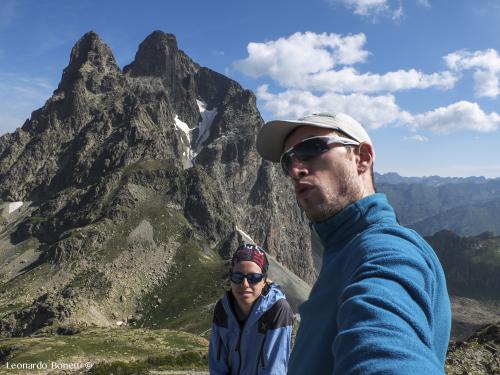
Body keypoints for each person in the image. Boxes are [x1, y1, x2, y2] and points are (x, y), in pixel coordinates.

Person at [256, 113, 451, 374]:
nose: (294, 169)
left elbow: (384, 347)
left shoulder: (385, 249)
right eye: (287, 161)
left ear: (362, 158)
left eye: (311, 148)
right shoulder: (345, 247)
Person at [209, 243, 293, 374]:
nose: (245, 284)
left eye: (253, 278)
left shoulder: (278, 309)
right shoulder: (222, 309)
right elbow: (217, 367)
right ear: (231, 278)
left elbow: (275, 370)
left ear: (264, 280)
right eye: (238, 277)